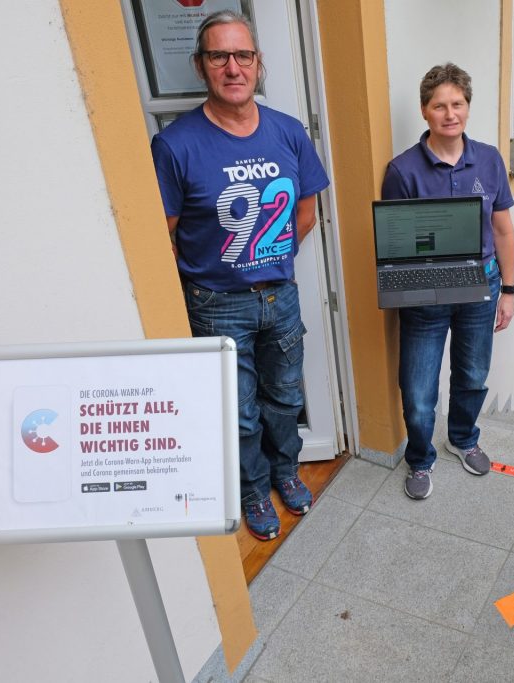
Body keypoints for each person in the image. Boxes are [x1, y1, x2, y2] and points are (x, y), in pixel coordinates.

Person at [150, 11, 330, 541]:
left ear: (259, 63)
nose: (233, 67)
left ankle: (284, 472)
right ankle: (252, 488)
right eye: (219, 56)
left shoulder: (288, 132)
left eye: (243, 55)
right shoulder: (175, 144)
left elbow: (306, 213)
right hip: (215, 303)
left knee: (285, 398)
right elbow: (164, 233)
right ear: (201, 66)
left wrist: (267, 259)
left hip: (280, 295)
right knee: (239, 411)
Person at [382, 63, 514, 500]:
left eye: (457, 104)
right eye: (439, 105)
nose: (449, 113)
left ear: (467, 108)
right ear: (425, 111)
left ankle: (462, 437)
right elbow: (396, 244)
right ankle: (420, 459)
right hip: (427, 288)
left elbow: (502, 230)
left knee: (473, 374)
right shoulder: (402, 171)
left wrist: (509, 290)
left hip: (482, 281)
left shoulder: (490, 159)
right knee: (419, 388)